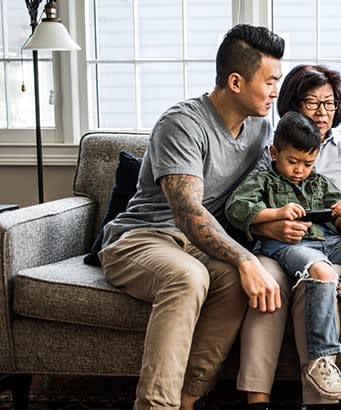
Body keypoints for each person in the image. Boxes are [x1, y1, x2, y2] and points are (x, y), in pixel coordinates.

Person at [97, 25, 285, 410]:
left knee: (234, 281)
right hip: (142, 239)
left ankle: (189, 399)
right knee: (189, 276)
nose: (275, 91)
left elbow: (252, 195)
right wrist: (246, 257)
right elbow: (187, 212)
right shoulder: (182, 123)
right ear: (235, 81)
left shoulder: (260, 128)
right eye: (269, 81)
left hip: (196, 246)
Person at [226, 111, 341, 401]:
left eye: (307, 163)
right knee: (323, 272)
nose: (299, 170)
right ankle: (321, 361)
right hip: (287, 248)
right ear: (274, 152)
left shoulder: (318, 182)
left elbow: (340, 219)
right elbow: (237, 208)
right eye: (292, 161)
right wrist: (275, 214)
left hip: (329, 243)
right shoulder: (263, 180)